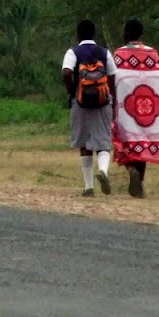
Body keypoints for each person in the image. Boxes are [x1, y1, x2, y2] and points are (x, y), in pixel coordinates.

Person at [62, 19, 117, 197]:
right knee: (103, 141)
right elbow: (113, 77)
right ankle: (103, 171)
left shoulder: (73, 51)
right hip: (102, 101)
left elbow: (66, 72)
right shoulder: (104, 52)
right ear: (94, 34)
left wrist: (71, 90)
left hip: (80, 101)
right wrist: (111, 98)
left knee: (85, 143)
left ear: (78, 35)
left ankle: (88, 187)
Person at [111, 18, 159, 198]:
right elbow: (156, 81)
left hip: (126, 107)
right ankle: (139, 184)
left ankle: (131, 168)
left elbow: (114, 81)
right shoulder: (153, 54)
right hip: (149, 109)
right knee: (144, 141)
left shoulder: (118, 54)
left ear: (126, 33)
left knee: (124, 140)